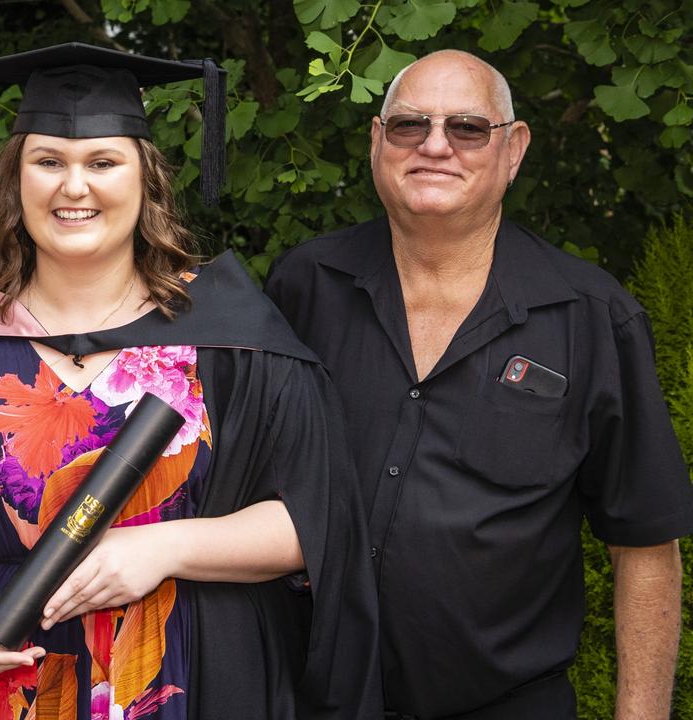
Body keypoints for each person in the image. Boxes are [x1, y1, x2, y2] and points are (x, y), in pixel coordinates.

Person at [0, 43, 380, 720]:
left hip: (189, 680)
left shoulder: (233, 336)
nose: (74, 186)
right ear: (15, 180)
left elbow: (317, 519)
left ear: (145, 179)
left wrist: (167, 545)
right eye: (48, 162)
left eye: (102, 162)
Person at [266, 49, 693, 719]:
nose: (435, 146)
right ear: (377, 141)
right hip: (307, 700)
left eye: (467, 127)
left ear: (514, 148)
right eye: (409, 125)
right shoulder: (304, 288)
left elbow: (644, 543)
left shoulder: (589, 316)